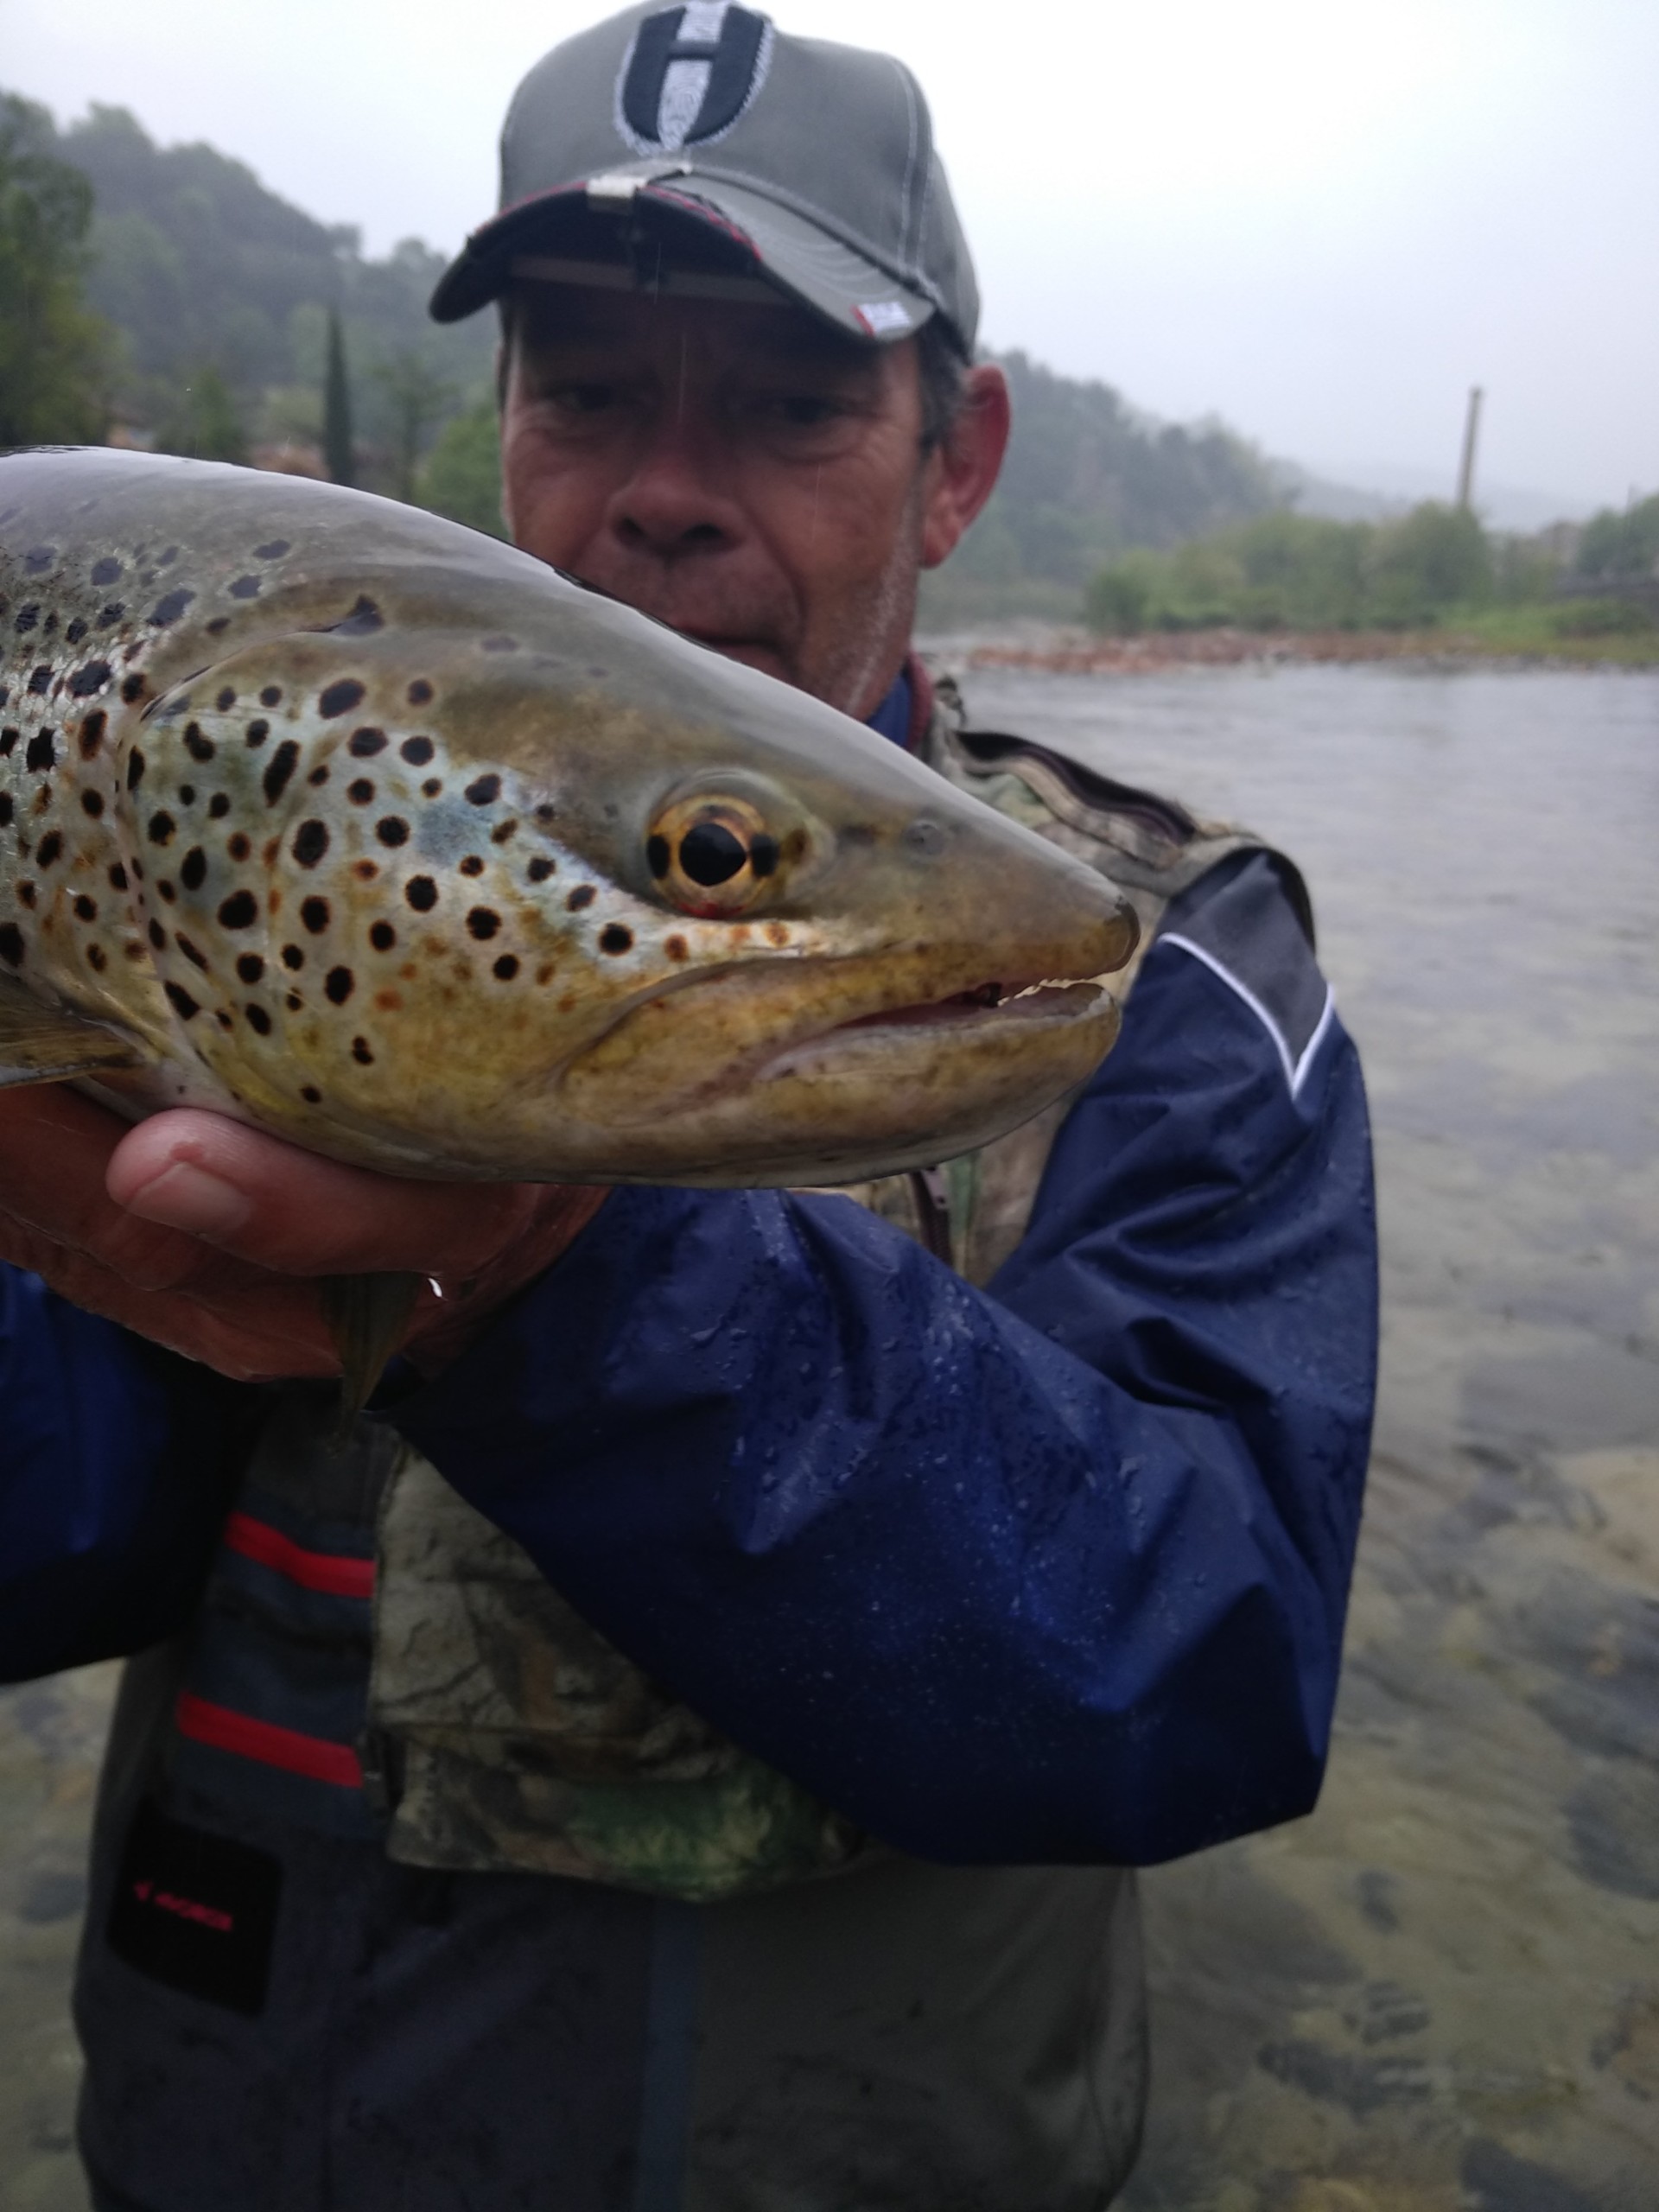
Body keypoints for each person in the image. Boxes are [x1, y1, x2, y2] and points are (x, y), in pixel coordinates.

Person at [0, 8, 1378, 2207]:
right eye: (586, 390)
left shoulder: (1159, 962)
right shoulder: (218, 878)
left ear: (956, 460)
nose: (660, 484)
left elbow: (1201, 1667)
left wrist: (545, 1277)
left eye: (789, 401)